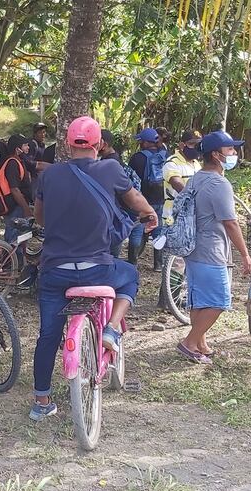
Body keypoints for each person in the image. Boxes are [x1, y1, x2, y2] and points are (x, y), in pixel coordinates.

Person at [29, 117, 157, 419]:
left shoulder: (50, 176)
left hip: (55, 272)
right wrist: (150, 213)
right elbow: (135, 200)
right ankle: (112, 328)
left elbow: (40, 217)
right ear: (99, 144)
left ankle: (41, 401)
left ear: (67, 144)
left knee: (48, 335)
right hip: (97, 270)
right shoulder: (111, 169)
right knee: (130, 276)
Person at [176, 131, 251, 364]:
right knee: (220, 300)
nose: (234, 154)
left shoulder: (196, 178)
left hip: (193, 248)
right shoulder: (219, 184)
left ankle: (201, 343)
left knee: (199, 299)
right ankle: (190, 342)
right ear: (216, 154)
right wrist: (246, 254)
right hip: (211, 249)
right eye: (230, 150)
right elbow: (230, 223)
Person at [128, 128, 168, 269]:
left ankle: (132, 262)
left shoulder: (137, 158)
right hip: (161, 198)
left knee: (137, 230)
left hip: (143, 200)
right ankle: (158, 264)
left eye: (140, 141)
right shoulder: (165, 155)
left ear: (145, 143)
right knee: (158, 230)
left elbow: (130, 179)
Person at [1, 133, 35, 249]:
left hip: (19, 206)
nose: (28, 148)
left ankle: (18, 262)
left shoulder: (19, 161)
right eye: (25, 145)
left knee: (22, 237)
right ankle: (10, 263)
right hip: (15, 207)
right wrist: (26, 209)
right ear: (18, 149)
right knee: (13, 237)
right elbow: (14, 189)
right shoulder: (12, 163)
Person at [162, 129, 202, 224]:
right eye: (192, 144)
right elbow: (179, 186)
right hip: (173, 217)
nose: (195, 147)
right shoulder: (172, 163)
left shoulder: (196, 163)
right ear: (181, 145)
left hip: (192, 216)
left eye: (198, 144)